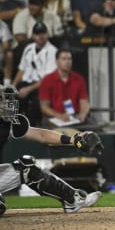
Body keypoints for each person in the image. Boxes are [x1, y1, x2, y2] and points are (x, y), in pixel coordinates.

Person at [0, 84, 103, 216]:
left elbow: (41, 135)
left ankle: (72, 200)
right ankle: (73, 199)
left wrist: (72, 140)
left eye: (8, 99)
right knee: (26, 167)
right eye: (3, 99)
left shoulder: (6, 123)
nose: (8, 104)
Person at [12, 22, 58, 127]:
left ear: (47, 34)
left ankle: (32, 130)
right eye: (37, 33)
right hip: (25, 84)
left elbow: (47, 78)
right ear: (33, 35)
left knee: (35, 104)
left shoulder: (53, 51)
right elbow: (21, 69)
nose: (40, 36)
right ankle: (13, 131)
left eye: (43, 33)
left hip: (41, 86)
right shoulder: (28, 48)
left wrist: (28, 89)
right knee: (10, 100)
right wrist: (13, 86)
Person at [38, 49, 91, 126]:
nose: (67, 62)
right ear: (57, 62)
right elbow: (44, 107)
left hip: (74, 116)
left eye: (69, 59)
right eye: (64, 59)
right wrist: (59, 116)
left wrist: (82, 115)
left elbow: (84, 102)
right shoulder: (47, 80)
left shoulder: (79, 79)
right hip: (54, 117)